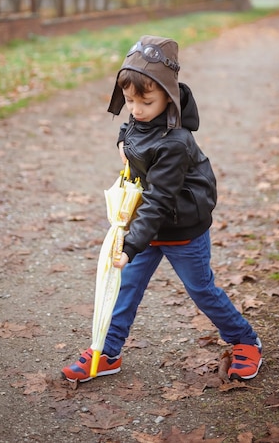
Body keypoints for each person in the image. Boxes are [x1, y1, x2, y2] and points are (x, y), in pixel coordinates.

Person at [62, 35, 262, 383]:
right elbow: (132, 127)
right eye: (128, 101)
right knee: (126, 288)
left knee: (202, 290)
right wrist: (123, 140)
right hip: (148, 225)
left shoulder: (175, 143)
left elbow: (159, 200)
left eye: (146, 102)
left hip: (181, 226)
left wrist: (130, 246)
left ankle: (245, 340)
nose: (136, 109)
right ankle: (108, 352)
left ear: (168, 98)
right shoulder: (141, 116)